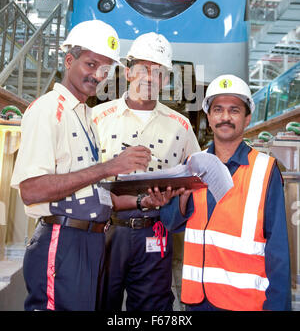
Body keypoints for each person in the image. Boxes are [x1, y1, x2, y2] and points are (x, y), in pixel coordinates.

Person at [10, 19, 160, 311]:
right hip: (62, 240)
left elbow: (89, 193)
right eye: (90, 64)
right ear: (69, 60)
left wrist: (142, 201)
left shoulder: (86, 116)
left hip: (89, 243)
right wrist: (109, 167)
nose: (97, 75)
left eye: (105, 70)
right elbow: (31, 190)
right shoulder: (47, 110)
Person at [160, 74, 291, 311]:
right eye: (218, 110)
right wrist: (182, 199)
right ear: (209, 118)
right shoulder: (192, 164)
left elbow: (278, 249)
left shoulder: (265, 170)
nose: (225, 117)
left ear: (247, 118)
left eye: (234, 110)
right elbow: (170, 222)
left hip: (243, 302)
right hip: (197, 301)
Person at [92, 32, 200, 311]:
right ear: (128, 73)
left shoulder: (181, 126)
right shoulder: (97, 119)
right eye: (142, 69)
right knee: (98, 301)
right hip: (105, 232)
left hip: (156, 233)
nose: (149, 78)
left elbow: (197, 175)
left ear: (166, 80)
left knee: (154, 308)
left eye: (158, 72)